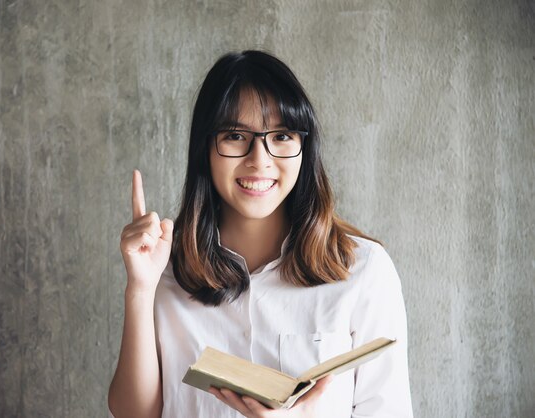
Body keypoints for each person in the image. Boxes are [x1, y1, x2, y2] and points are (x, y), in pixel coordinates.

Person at [108, 50, 413, 418]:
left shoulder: (364, 271)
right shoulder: (164, 268)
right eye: (235, 135)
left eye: (282, 135)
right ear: (205, 147)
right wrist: (140, 289)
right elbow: (135, 414)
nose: (259, 159)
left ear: (305, 147)